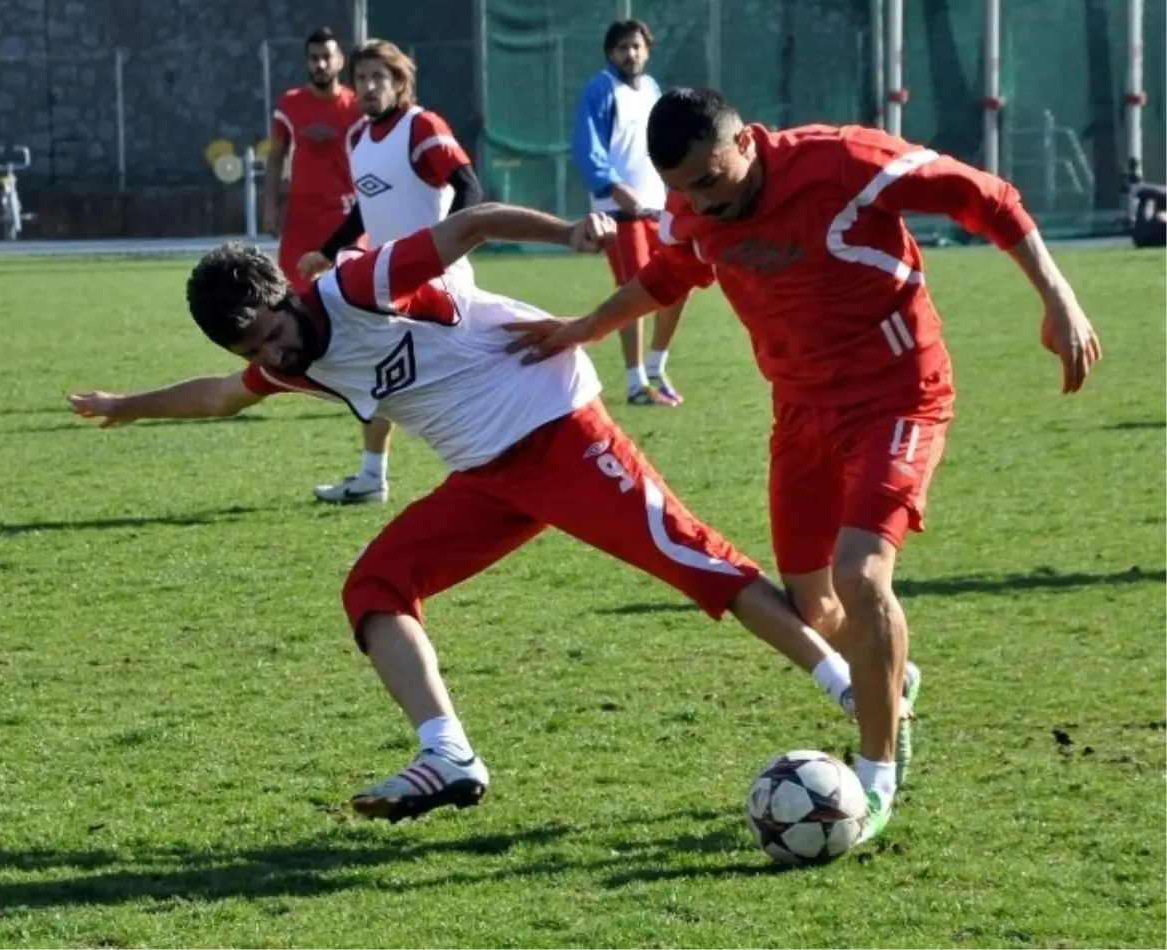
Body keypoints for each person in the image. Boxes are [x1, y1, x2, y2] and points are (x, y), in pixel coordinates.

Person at [68, 202, 861, 827]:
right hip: (487, 478)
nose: (272, 355)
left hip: (555, 427)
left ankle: (858, 689)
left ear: (285, 296)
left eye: (271, 332)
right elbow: (217, 396)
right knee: (375, 587)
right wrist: (126, 406)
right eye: (255, 350)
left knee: (695, 562)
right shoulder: (294, 365)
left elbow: (472, 224)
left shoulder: (357, 287)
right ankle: (447, 755)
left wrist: (568, 234)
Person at [507, 89, 1103, 841]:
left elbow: (986, 198)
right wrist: (585, 327)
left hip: (898, 395)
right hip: (799, 413)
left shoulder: (844, 162)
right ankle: (894, 681)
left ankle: (876, 776)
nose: (700, 203)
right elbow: (668, 273)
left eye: (711, 182)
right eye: (684, 190)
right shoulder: (693, 209)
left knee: (862, 576)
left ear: (747, 143)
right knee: (814, 608)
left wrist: (1059, 298)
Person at [297, 39, 484, 506]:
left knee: (455, 378)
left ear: (400, 82)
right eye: (361, 78)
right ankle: (372, 477)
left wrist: (442, 251)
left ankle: (486, 468)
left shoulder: (421, 126)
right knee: (374, 374)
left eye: (379, 77)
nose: (368, 86)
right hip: (385, 282)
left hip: (437, 282)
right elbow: (367, 209)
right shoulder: (358, 137)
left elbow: (469, 188)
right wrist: (326, 251)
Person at [571, 19, 687, 407]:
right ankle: (636, 384)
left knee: (677, 283)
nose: (630, 54)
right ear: (610, 53)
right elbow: (587, 146)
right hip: (618, 211)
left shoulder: (652, 89)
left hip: (657, 205)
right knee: (635, 290)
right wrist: (614, 188)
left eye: (636, 47)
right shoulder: (601, 88)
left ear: (647, 51)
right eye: (622, 48)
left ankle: (656, 366)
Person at [262, 28, 362, 289]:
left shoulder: (357, 107)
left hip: (344, 215)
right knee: (291, 294)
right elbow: (275, 158)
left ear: (340, 60)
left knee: (351, 291)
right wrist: (270, 206)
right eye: (314, 58)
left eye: (327, 57)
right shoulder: (290, 104)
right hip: (300, 217)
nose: (320, 64)